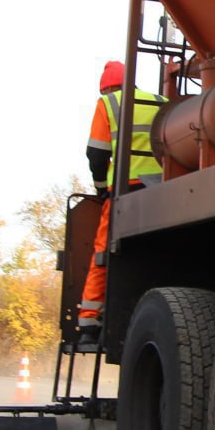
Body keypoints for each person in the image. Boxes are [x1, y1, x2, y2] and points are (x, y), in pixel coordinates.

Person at [77, 59, 166, 348]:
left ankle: (89, 324)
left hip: (123, 192)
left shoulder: (107, 105)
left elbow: (97, 153)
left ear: (106, 88)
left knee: (103, 253)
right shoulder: (160, 102)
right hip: (162, 191)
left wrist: (101, 188)